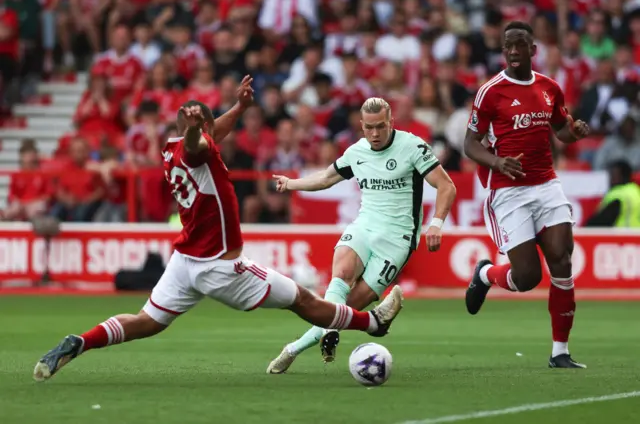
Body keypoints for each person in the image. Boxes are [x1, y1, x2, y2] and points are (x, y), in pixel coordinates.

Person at [33, 78, 404, 382]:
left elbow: (206, 136)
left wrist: (238, 109)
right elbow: (199, 145)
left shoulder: (170, 147)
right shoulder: (198, 149)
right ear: (201, 131)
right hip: (222, 266)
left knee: (147, 320)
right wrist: (199, 131)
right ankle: (372, 323)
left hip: (185, 261)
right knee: (303, 301)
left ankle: (80, 341)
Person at [267, 97, 457, 374]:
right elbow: (326, 178)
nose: (375, 134)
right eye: (369, 128)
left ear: (391, 122)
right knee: (340, 274)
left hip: (397, 240)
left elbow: (446, 185)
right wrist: (291, 183)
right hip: (364, 226)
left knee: (346, 307)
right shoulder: (357, 151)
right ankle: (340, 329)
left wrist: (437, 223)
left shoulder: (413, 146)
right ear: (361, 126)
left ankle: (295, 347)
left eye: (381, 126)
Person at [463, 21, 591, 369]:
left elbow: (562, 131)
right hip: (508, 191)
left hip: (546, 184)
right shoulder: (491, 92)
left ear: (533, 50)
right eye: (508, 47)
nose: (514, 51)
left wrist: (574, 131)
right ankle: (487, 274)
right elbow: (469, 144)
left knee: (562, 260)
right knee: (527, 278)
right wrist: (497, 161)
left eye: (520, 45)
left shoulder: (550, 88)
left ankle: (560, 352)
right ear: (503, 51)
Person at [585, 160, 640, 227]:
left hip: (620, 235)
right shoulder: (636, 190)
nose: (610, 178)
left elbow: (601, 221)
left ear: (622, 176)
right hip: (636, 234)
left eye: (613, 175)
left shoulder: (618, 195)